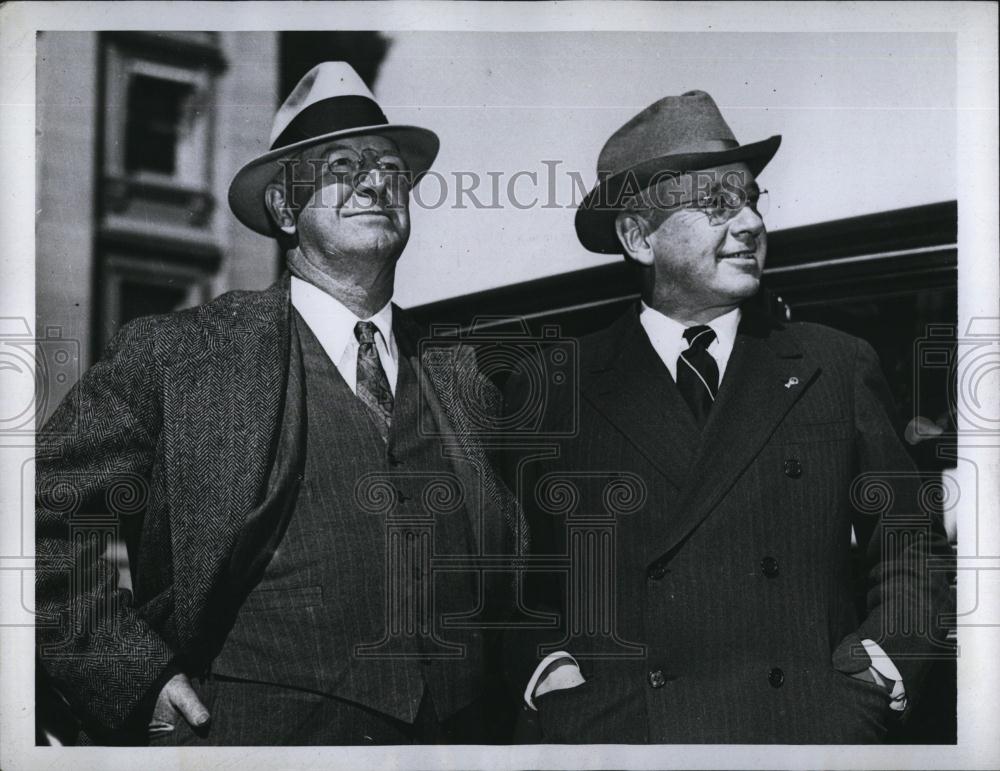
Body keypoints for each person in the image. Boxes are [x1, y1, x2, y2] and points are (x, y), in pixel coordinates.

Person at [36, 61, 522, 746]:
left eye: (388, 165)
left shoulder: (461, 372)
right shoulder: (179, 353)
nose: (375, 180)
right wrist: (133, 676)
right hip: (252, 740)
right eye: (342, 165)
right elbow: (31, 506)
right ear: (287, 210)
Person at [504, 90, 952, 743]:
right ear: (637, 236)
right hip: (623, 742)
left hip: (799, 735)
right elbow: (508, 571)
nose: (748, 223)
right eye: (716, 203)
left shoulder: (836, 363)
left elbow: (910, 542)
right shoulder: (555, 385)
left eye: (749, 199)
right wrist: (551, 673)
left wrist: (874, 676)